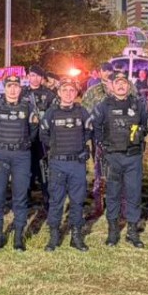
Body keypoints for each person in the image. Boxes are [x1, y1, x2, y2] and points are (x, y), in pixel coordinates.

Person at [91, 71, 148, 248]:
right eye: (118, 83)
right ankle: (113, 231)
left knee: (133, 194)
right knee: (113, 194)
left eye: (124, 82)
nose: (121, 85)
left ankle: (132, 231)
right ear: (112, 86)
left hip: (133, 157)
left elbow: (146, 126)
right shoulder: (103, 105)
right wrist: (103, 146)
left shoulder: (138, 104)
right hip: (113, 157)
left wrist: (140, 134)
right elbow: (96, 128)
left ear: (128, 85)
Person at [0, 74, 40, 251]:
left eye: (16, 86)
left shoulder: (28, 108)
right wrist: (2, 144)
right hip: (0, 154)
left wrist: (21, 144)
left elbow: (33, 131)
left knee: (20, 197)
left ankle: (18, 236)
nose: (13, 89)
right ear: (5, 88)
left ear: (20, 88)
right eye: (9, 86)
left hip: (21, 156)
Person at [39, 78, 92, 251]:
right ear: (59, 92)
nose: (68, 93)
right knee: (56, 200)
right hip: (58, 163)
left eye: (71, 90)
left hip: (77, 163)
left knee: (77, 200)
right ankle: (54, 235)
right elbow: (43, 134)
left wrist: (79, 147)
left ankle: (76, 236)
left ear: (76, 93)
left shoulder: (82, 111)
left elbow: (88, 131)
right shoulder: (51, 113)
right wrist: (55, 148)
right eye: (65, 90)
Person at [81, 62, 115, 220]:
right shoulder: (92, 91)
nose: (107, 74)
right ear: (100, 72)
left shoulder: (122, 88)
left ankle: (115, 205)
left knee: (116, 172)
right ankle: (98, 206)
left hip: (118, 140)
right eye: (105, 71)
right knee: (99, 171)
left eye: (110, 72)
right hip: (98, 138)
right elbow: (85, 112)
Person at [25, 65, 55, 209]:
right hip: (26, 137)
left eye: (37, 76)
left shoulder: (49, 94)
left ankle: (46, 197)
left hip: (43, 138)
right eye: (32, 75)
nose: (34, 78)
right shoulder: (22, 93)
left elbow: (53, 114)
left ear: (42, 78)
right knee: (26, 168)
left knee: (44, 168)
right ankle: (26, 196)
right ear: (27, 77)